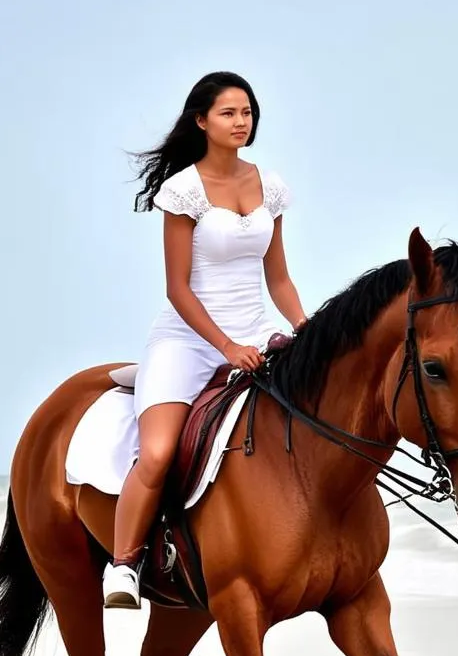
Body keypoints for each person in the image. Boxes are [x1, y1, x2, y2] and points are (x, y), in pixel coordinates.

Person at [103, 71, 308, 609]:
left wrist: (304, 325)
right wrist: (224, 347)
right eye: (228, 113)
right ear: (201, 121)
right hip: (190, 339)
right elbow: (177, 289)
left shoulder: (272, 186)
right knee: (159, 451)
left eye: (247, 113)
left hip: (256, 334)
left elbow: (278, 278)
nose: (241, 122)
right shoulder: (183, 191)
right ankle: (124, 565)